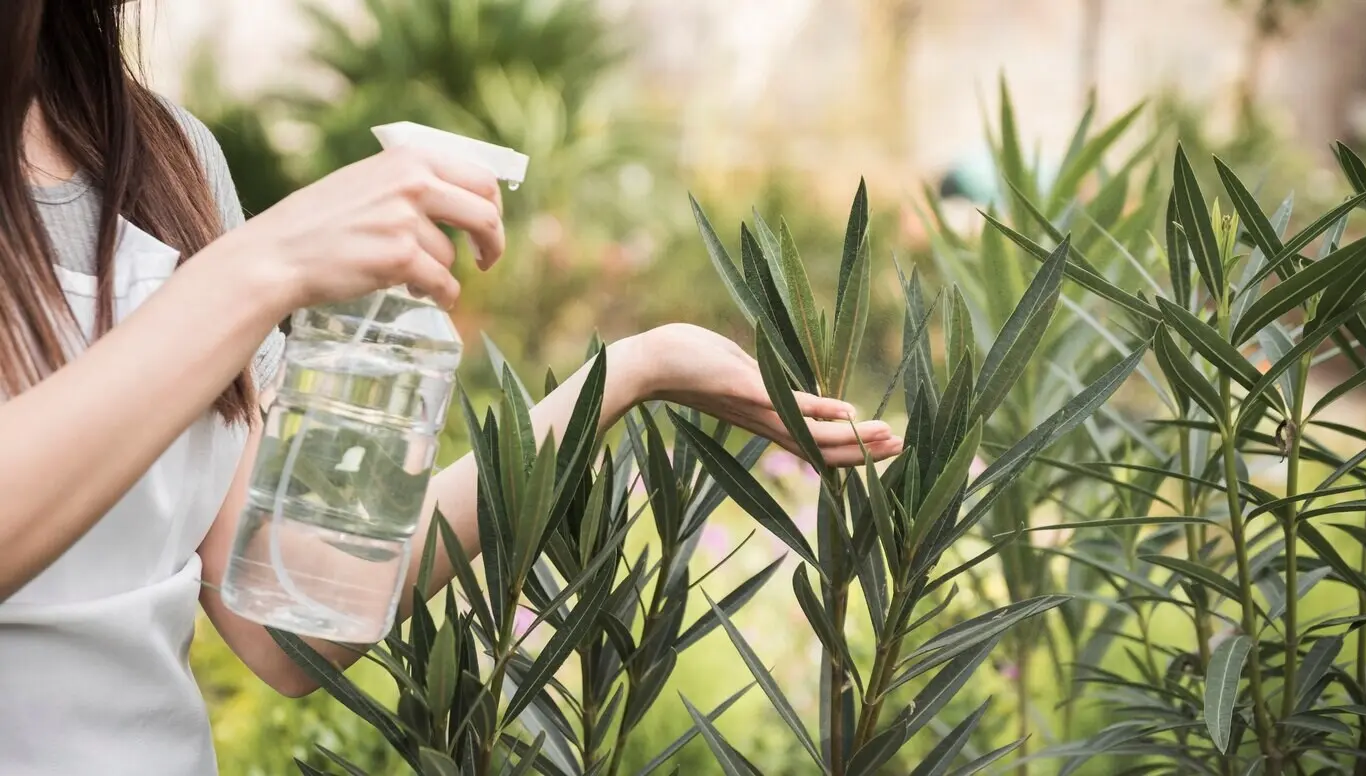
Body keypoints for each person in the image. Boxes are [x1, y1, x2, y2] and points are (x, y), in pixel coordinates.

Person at [0, 2, 904, 774]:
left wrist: (630, 371)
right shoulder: (232, 260)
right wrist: (256, 271)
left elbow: (291, 624)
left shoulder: (159, 157)